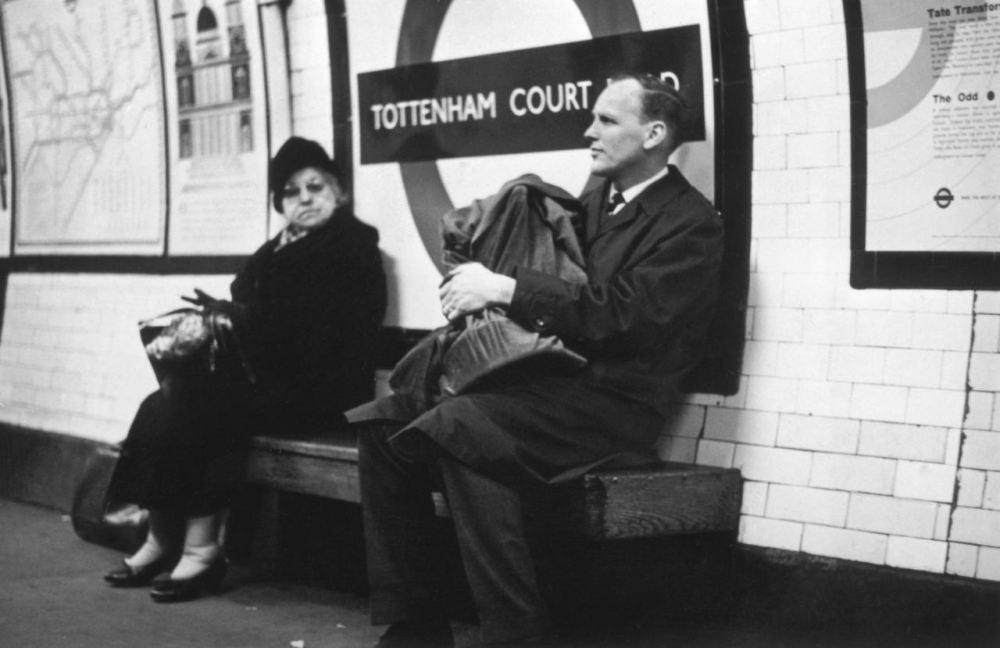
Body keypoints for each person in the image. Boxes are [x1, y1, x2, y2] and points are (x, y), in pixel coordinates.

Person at [355, 72, 724, 647]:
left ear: (654, 134)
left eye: (606, 120)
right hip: (548, 387)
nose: (589, 131)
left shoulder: (692, 223)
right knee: (383, 424)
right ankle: (416, 626)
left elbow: (625, 317)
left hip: (612, 404)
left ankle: (516, 636)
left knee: (463, 429)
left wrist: (504, 288)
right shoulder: (598, 196)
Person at [103, 136, 386, 602]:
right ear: (280, 203)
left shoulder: (353, 248)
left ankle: (202, 549)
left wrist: (243, 318)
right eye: (291, 192)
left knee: (203, 402)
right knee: (162, 400)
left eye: (316, 187)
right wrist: (223, 315)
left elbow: (326, 333)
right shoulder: (275, 249)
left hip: (322, 389)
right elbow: (259, 317)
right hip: (268, 382)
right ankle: (161, 538)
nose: (305, 199)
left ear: (340, 193)